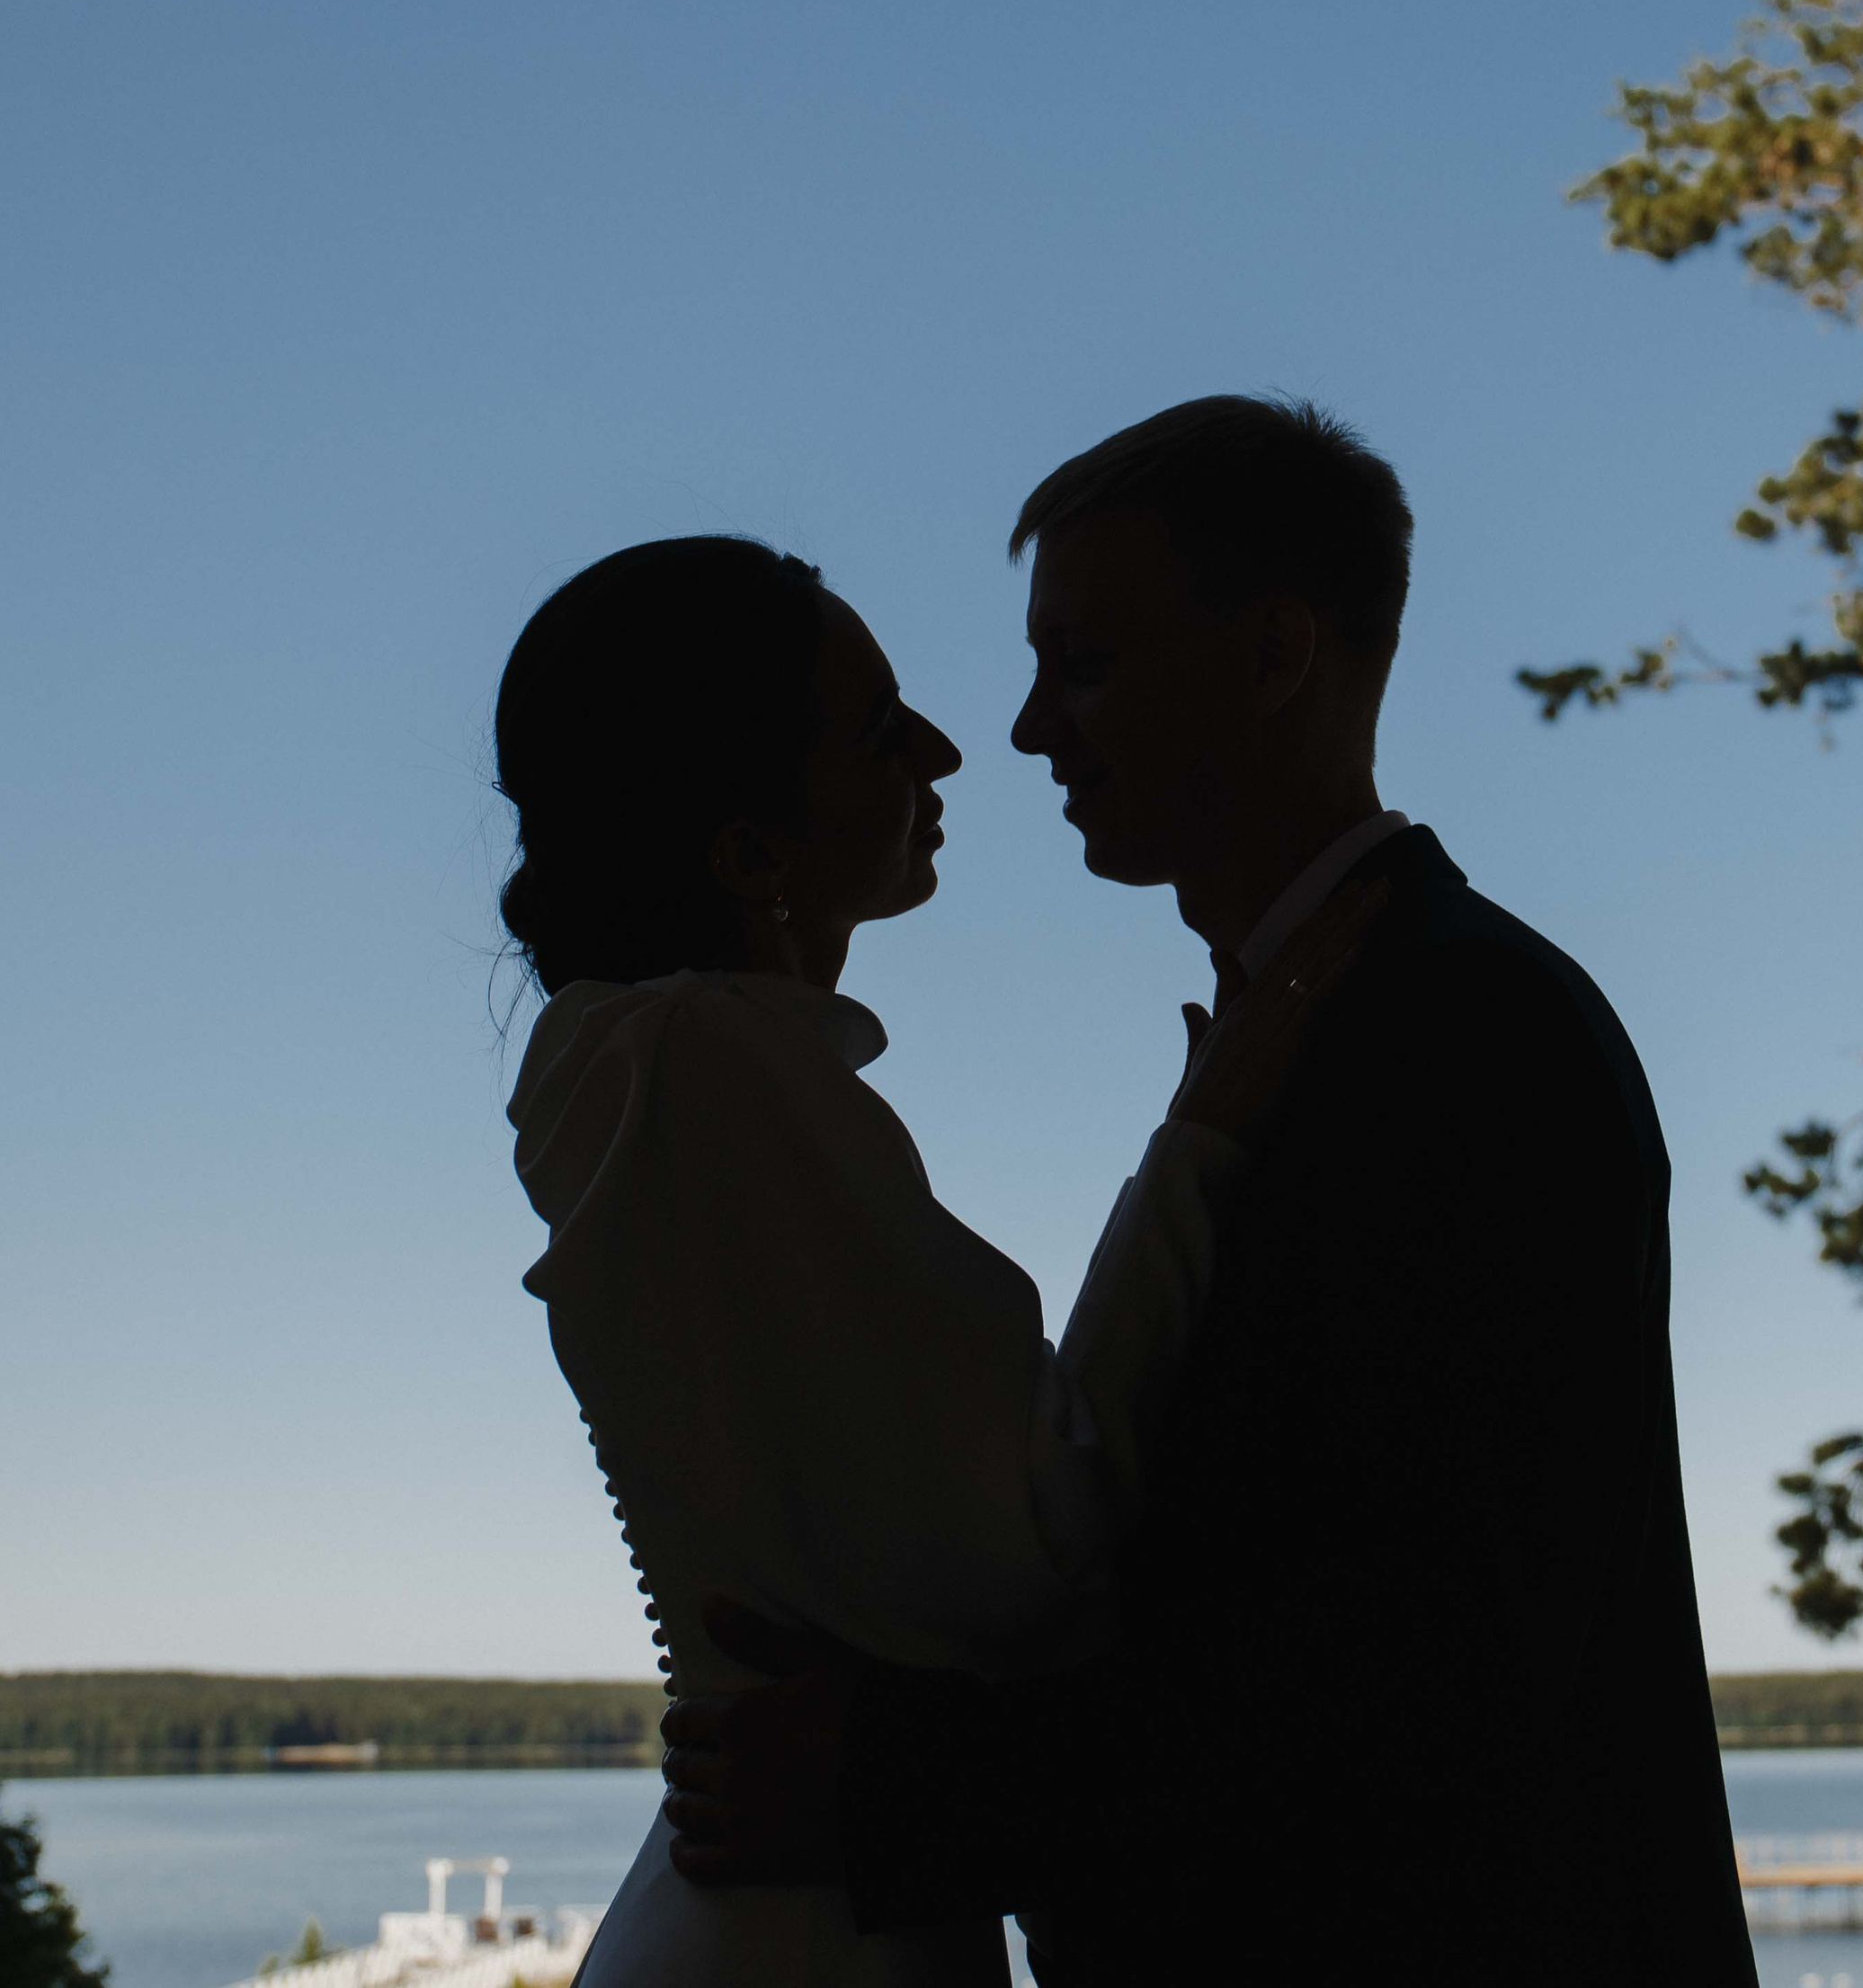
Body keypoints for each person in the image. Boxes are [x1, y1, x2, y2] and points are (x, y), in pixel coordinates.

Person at [661, 397, 1760, 1984]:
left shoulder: (1469, 1034)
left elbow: (1419, 1666)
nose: (1032, 730)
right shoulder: (1341, 1022)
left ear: (1272, 657)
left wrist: (896, 1780)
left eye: (1085, 666)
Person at [495, 535, 1377, 1988]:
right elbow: (1023, 1553)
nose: (948, 749)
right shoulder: (699, 1072)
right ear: (750, 852)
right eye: (876, 727)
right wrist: (1206, 1140)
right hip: (811, 1931)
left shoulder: (644, 1076)